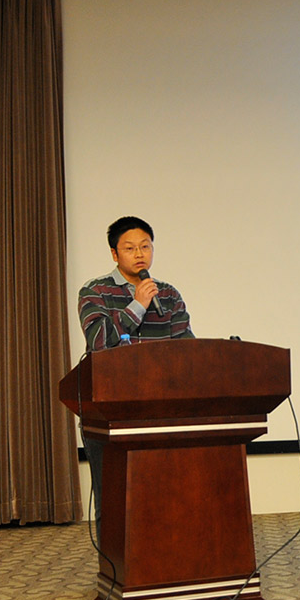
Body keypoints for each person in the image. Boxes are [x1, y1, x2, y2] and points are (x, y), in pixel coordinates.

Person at [77, 216, 194, 527]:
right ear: (114, 254)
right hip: (109, 410)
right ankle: (114, 559)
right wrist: (138, 305)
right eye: (130, 248)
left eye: (145, 246)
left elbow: (186, 351)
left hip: (162, 410)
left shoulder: (168, 295)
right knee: (114, 498)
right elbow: (99, 341)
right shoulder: (94, 291)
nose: (140, 254)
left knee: (166, 495)